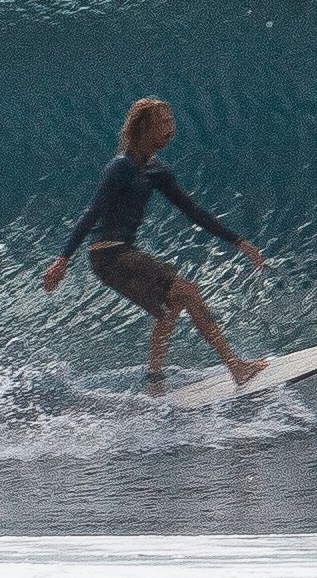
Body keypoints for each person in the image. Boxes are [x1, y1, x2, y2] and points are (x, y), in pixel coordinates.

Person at [46, 95, 271, 389]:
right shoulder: (120, 166)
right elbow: (93, 210)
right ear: (143, 128)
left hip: (120, 255)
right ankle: (236, 367)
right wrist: (63, 258)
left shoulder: (157, 171)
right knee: (187, 291)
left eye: (171, 120)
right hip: (108, 255)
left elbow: (193, 212)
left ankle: (154, 381)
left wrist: (238, 241)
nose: (171, 127)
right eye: (163, 122)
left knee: (169, 308)